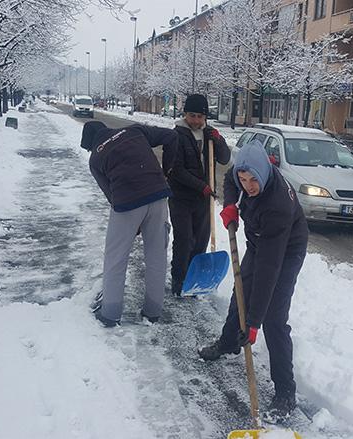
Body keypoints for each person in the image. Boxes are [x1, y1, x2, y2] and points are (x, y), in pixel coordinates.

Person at [198, 140, 308, 423]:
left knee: (273, 319)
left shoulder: (277, 206)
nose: (248, 185)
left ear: (263, 173)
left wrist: (254, 322)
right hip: (259, 242)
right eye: (244, 180)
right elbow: (231, 178)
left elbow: (269, 271)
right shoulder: (245, 173)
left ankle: (285, 392)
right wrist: (231, 205)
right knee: (241, 292)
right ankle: (228, 341)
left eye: (252, 180)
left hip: (285, 251)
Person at [80, 121, 178, 327]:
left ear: (90, 143)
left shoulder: (95, 158)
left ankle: (110, 313)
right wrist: (166, 171)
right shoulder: (134, 130)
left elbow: (111, 195)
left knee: (116, 257)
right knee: (156, 256)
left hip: (126, 202)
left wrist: (131, 224)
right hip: (159, 195)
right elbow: (172, 137)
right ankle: (153, 311)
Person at [168, 94, 231, 296]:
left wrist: (219, 141)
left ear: (205, 117)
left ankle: (195, 282)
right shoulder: (176, 136)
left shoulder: (209, 135)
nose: (196, 120)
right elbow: (175, 170)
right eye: (192, 115)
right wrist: (201, 186)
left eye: (200, 116)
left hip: (203, 199)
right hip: (181, 198)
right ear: (185, 114)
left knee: (200, 240)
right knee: (184, 240)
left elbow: (224, 159)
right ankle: (179, 280)